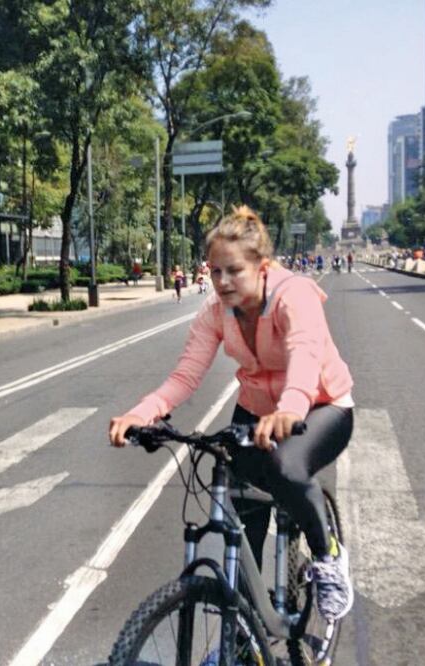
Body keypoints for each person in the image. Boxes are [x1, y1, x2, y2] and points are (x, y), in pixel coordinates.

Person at [108, 206, 355, 623]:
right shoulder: (215, 312)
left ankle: (329, 557)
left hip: (320, 405)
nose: (222, 282)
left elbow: (305, 352)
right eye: (215, 271)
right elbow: (186, 375)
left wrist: (292, 407)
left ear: (262, 266)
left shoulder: (293, 294)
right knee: (241, 524)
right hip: (256, 412)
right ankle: (244, 638)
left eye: (234, 270)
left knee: (287, 468)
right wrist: (142, 413)